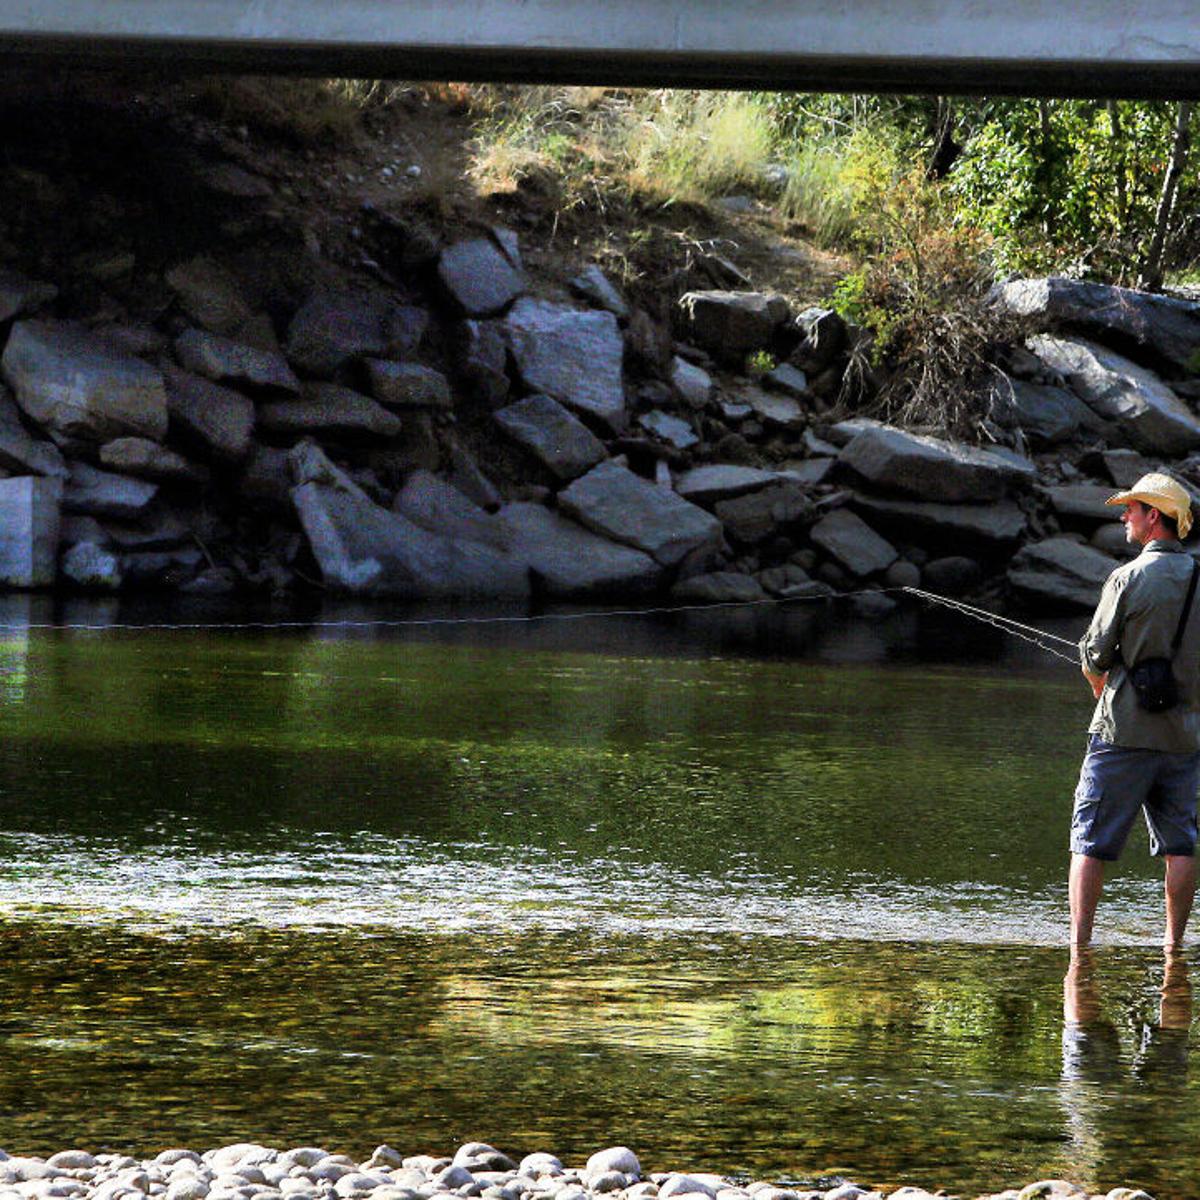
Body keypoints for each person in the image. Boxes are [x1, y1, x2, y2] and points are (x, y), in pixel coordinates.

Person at [1073, 472, 1200, 948]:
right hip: (1185, 737)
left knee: (1089, 842)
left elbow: (1094, 657)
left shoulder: (1127, 577)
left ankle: (1078, 950)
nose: (1124, 515)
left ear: (1154, 517)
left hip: (1122, 733)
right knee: (1180, 844)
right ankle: (1174, 948)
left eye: (1132, 508)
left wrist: (1099, 688)